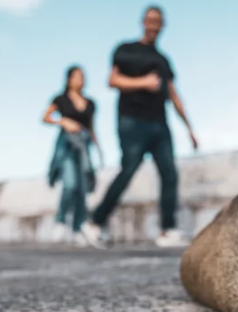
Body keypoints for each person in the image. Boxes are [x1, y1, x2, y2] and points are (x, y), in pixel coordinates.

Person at [81, 5, 198, 248]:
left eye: (158, 21)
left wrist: (189, 128)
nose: (154, 25)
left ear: (162, 26)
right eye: (150, 20)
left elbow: (174, 95)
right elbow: (112, 80)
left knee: (169, 173)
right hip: (131, 121)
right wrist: (143, 82)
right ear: (143, 22)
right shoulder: (126, 50)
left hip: (160, 123)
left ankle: (167, 230)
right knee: (129, 169)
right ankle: (94, 223)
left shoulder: (164, 60)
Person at [42, 65, 102, 246]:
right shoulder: (61, 99)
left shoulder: (90, 103)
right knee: (69, 184)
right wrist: (63, 121)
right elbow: (45, 117)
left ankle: (78, 227)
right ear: (69, 79)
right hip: (67, 144)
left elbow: (92, 127)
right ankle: (60, 222)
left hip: (84, 146)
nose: (81, 80)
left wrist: (98, 148)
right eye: (77, 76)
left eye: (83, 76)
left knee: (82, 188)